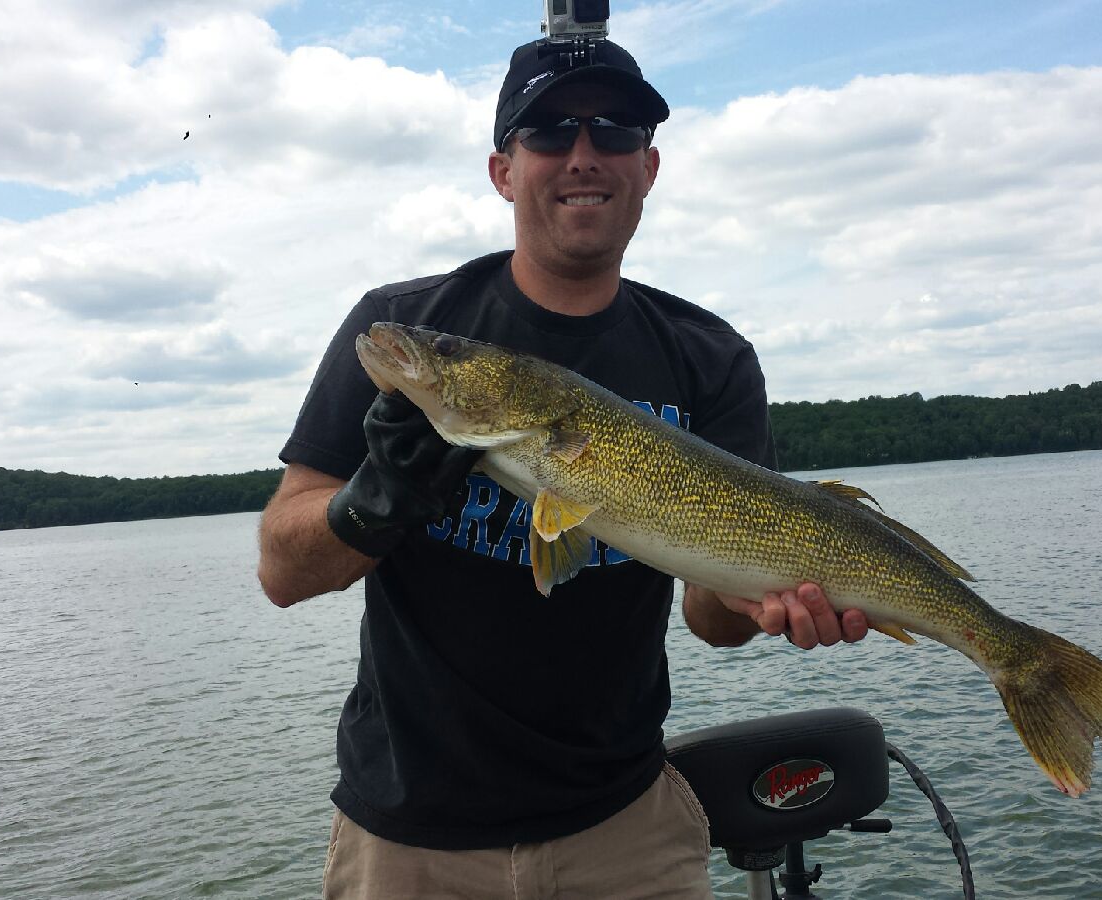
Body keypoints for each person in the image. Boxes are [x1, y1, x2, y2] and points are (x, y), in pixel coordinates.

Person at [258, 37, 868, 899]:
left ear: (648, 167)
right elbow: (282, 571)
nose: (583, 153)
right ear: (503, 169)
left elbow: (712, 618)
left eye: (615, 129)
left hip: (627, 831)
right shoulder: (404, 318)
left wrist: (769, 603)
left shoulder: (710, 357)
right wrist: (370, 505)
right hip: (409, 844)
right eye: (547, 130)